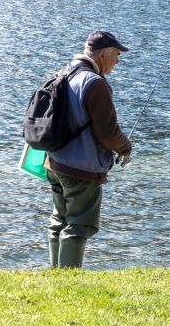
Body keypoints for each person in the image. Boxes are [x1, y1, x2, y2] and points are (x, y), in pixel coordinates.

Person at [45, 30, 132, 268]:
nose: (118, 60)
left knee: (59, 220)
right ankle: (68, 282)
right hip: (80, 168)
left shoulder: (63, 73)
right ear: (102, 55)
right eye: (116, 54)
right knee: (79, 225)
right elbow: (107, 133)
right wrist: (125, 147)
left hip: (53, 163)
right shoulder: (96, 84)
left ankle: (56, 275)